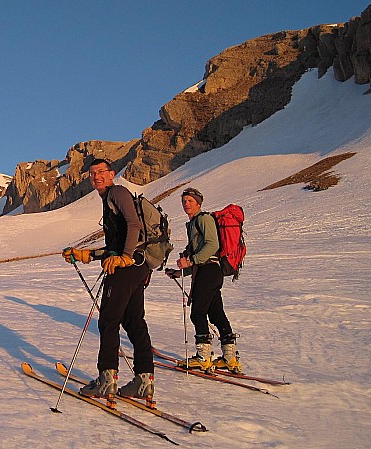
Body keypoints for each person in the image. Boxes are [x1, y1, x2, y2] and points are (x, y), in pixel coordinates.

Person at [62, 158, 155, 404]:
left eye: (101, 172)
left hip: (128, 266)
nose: (96, 176)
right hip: (137, 266)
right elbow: (115, 246)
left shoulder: (118, 192)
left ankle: (107, 380)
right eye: (92, 173)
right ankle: (144, 381)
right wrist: (88, 254)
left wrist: (124, 257)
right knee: (134, 321)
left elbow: (134, 224)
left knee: (109, 321)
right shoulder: (109, 199)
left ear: (112, 174)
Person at [166, 187, 242, 373]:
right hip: (209, 272)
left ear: (199, 203)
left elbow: (212, 246)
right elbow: (200, 257)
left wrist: (190, 260)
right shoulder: (193, 223)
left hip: (209, 272)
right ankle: (229, 358)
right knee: (216, 313)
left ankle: (202, 357)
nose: (186, 204)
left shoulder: (204, 219)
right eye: (184, 201)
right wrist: (179, 272)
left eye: (190, 201)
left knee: (198, 313)